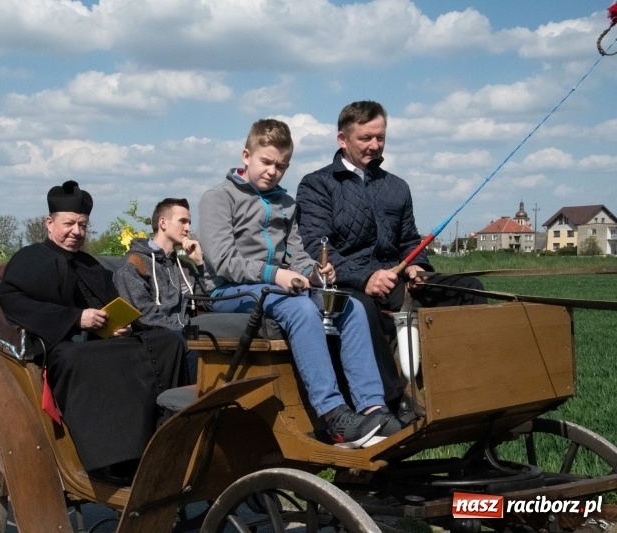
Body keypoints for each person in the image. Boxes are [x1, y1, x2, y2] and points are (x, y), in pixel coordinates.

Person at [198, 118, 403, 449]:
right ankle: (333, 414)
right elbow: (224, 262)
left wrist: (317, 273)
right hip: (229, 292)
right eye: (266, 162)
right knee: (300, 309)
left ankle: (373, 407)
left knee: (348, 306)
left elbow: (298, 256)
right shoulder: (217, 199)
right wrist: (275, 275)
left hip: (274, 289)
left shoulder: (286, 204)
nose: (272, 172)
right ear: (246, 155)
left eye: (281, 166)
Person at [0, 180, 188, 485]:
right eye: (69, 224)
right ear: (49, 223)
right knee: (86, 359)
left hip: (102, 343)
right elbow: (14, 302)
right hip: (61, 349)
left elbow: (110, 303)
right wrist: (75, 319)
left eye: (82, 225)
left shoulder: (89, 263)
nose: (76, 231)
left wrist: (118, 325)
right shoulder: (28, 259)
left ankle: (167, 438)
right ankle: (113, 461)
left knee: (167, 342)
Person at [296, 101, 486, 373]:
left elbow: (410, 240)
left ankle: (465, 380)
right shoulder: (317, 185)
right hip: (348, 287)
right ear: (342, 139)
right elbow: (317, 246)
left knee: (469, 289)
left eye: (380, 137)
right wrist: (366, 279)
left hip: (396, 284)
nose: (375, 145)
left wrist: (416, 265)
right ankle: (391, 402)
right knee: (362, 310)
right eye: (365, 138)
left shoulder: (397, 187)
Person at [113, 198, 207, 381]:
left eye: (189, 223)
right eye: (183, 221)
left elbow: (208, 304)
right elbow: (144, 315)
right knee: (192, 344)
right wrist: (188, 331)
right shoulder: (134, 264)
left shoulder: (184, 266)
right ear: (162, 223)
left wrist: (200, 264)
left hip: (183, 334)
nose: (188, 228)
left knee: (220, 341)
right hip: (153, 339)